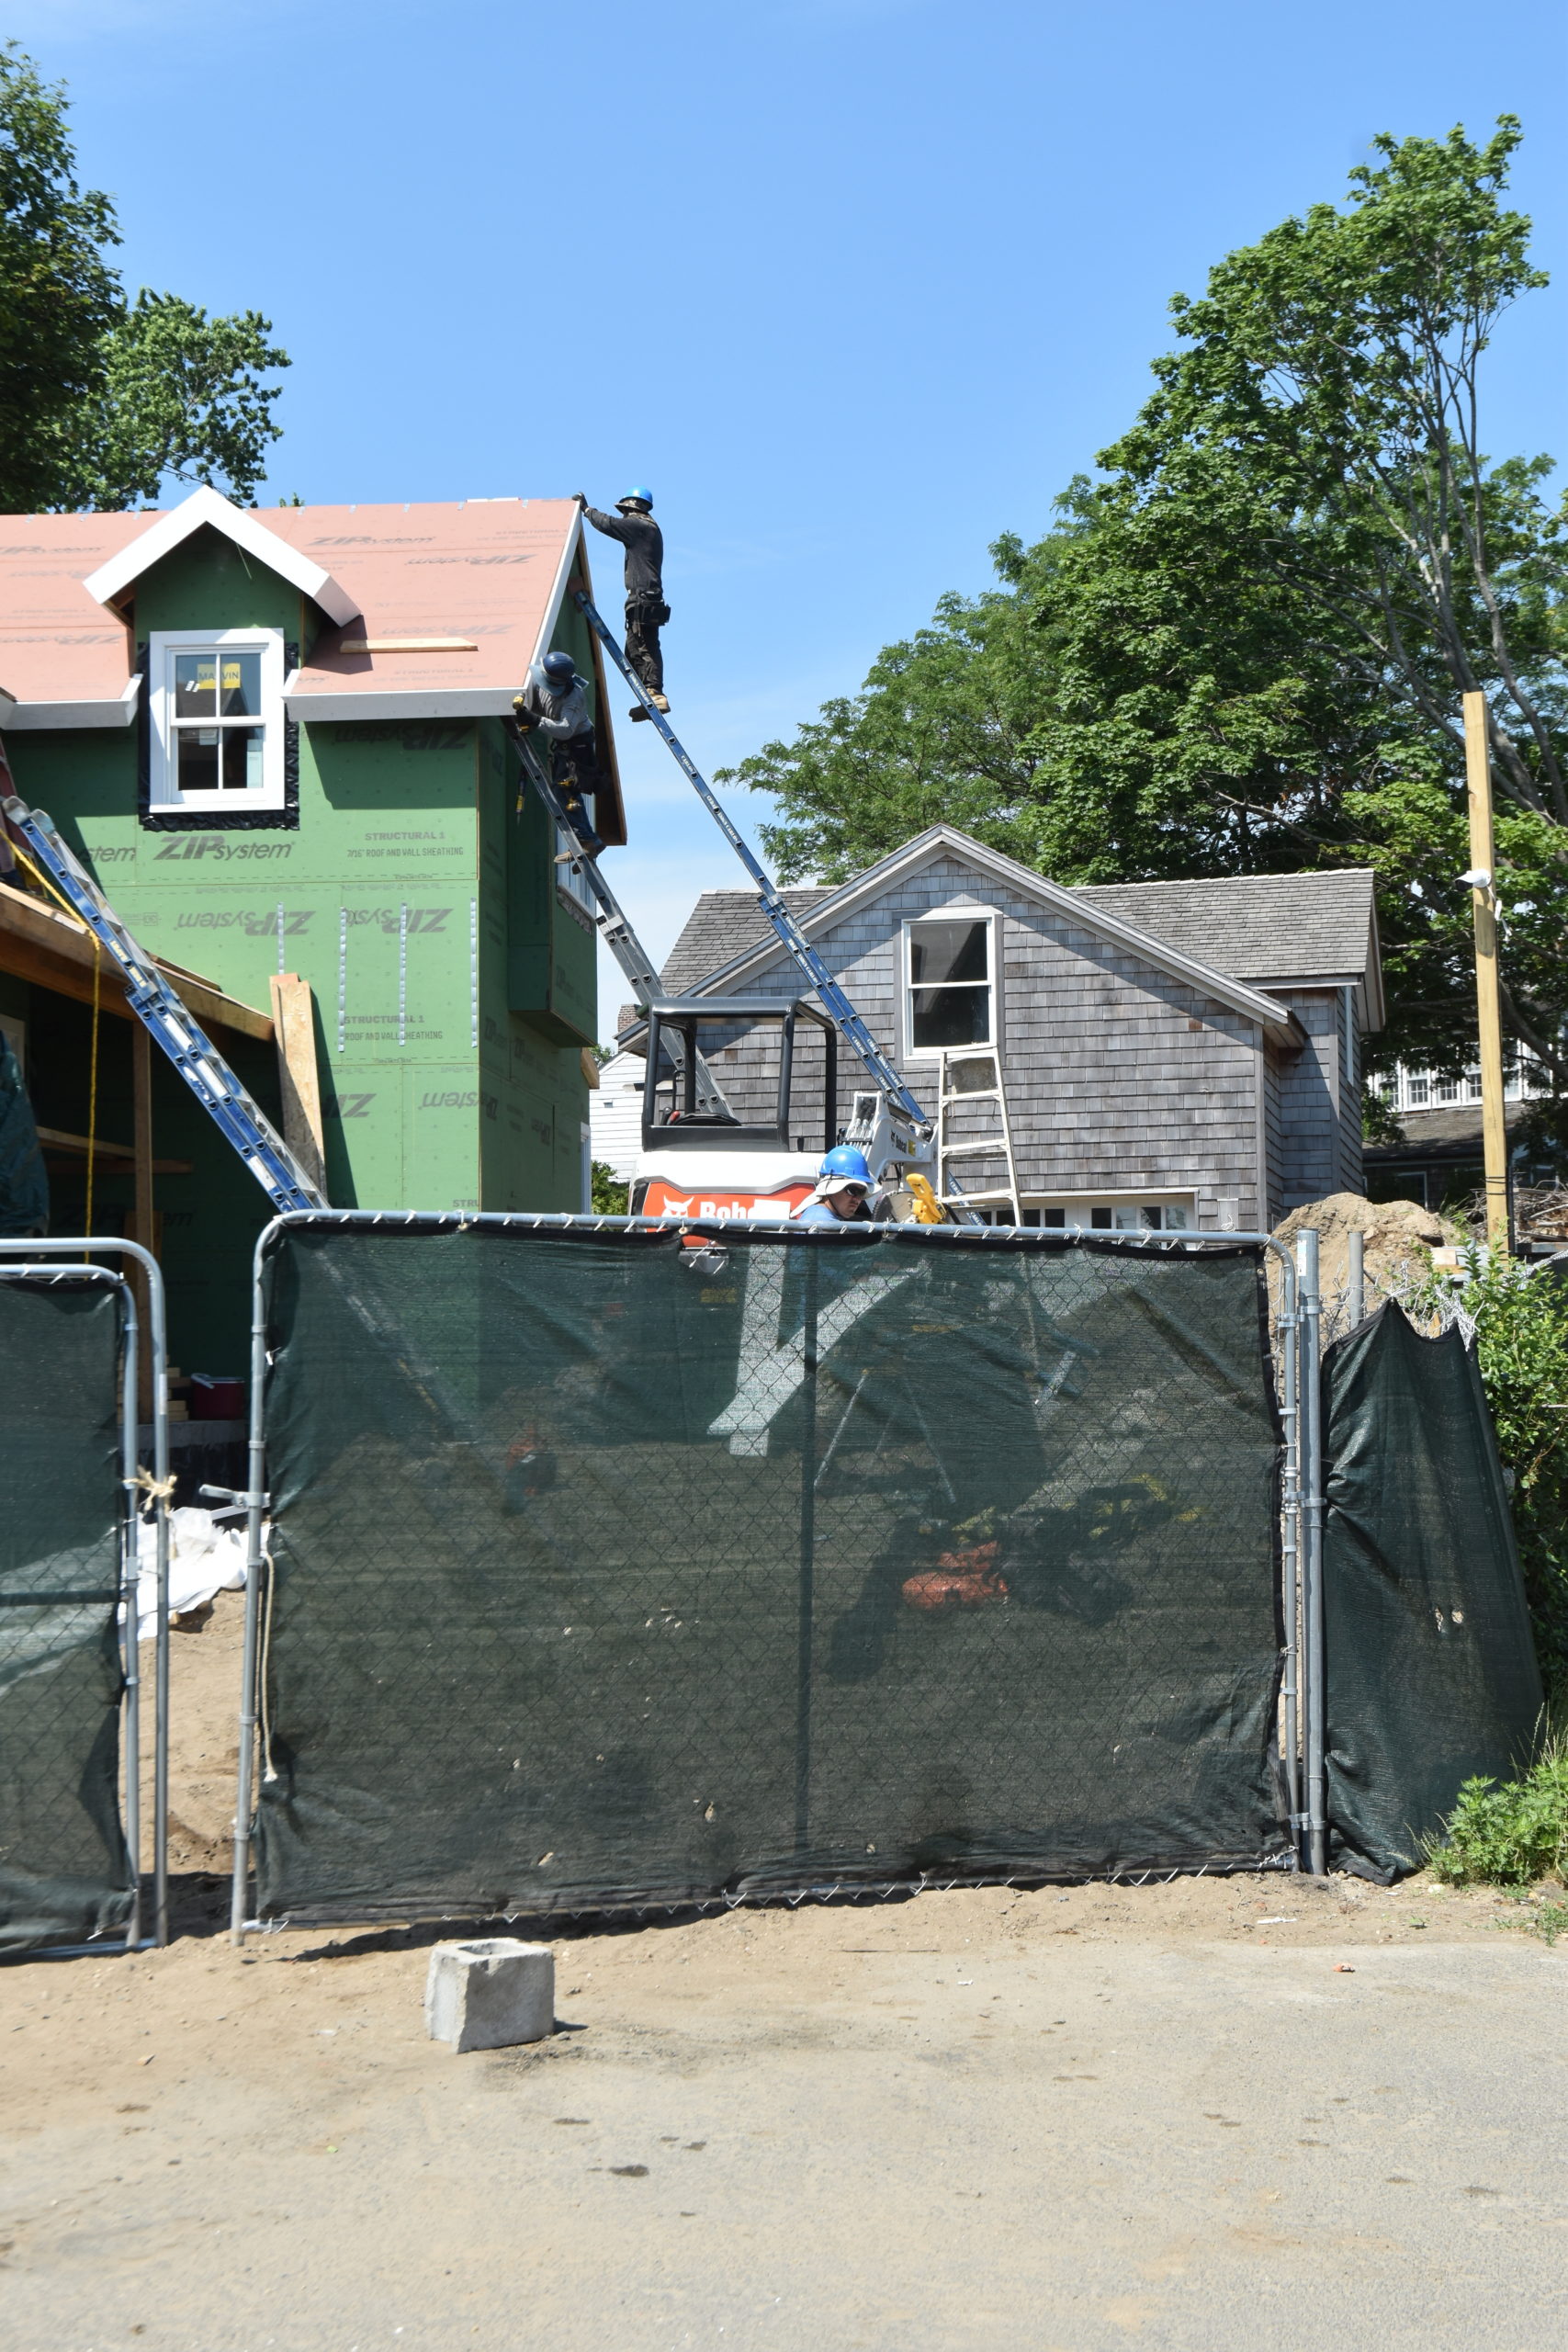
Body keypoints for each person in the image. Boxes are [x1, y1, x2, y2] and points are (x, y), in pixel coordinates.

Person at [576, 487, 670, 718]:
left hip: (644, 598)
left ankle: (656, 693)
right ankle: (650, 695)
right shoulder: (647, 529)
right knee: (635, 650)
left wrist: (587, 510)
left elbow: (609, 524)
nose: (624, 516)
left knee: (644, 646)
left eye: (626, 512)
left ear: (632, 508)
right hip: (645, 598)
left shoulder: (641, 525)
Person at [513, 650, 604, 854]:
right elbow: (532, 693)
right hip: (565, 744)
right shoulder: (539, 676)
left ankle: (588, 840)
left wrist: (535, 720)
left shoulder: (574, 696)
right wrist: (523, 705)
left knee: (566, 791)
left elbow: (565, 730)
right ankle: (587, 839)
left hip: (577, 745)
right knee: (561, 790)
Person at [793, 1145, 876, 1227]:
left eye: (862, 1192)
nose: (857, 1199)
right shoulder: (820, 1223)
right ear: (831, 1190)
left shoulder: (824, 1218)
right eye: (852, 1190)